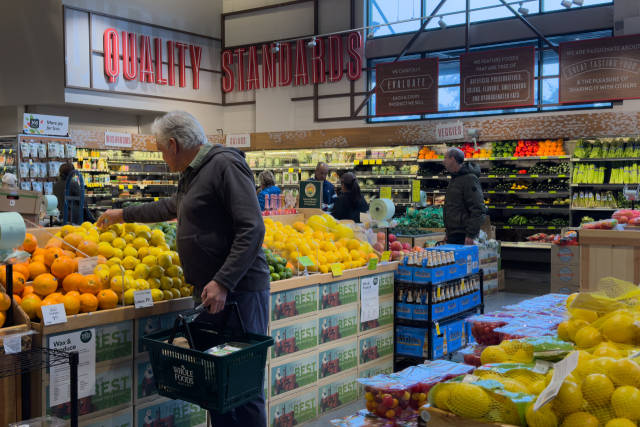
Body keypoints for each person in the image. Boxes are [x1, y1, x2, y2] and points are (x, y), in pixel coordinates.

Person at [96, 110, 269, 427]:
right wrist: (122, 214)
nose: (162, 157)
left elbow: (252, 228)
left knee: (242, 385)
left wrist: (223, 281)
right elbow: (168, 206)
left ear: (173, 144)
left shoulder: (224, 164)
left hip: (239, 292)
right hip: (211, 294)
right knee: (215, 384)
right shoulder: (194, 173)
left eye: (161, 150)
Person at [442, 147, 486, 245]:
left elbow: (478, 209)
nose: (443, 162)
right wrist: (449, 232)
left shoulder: (469, 179)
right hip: (455, 234)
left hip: (463, 235)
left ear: (452, 159)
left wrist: (471, 234)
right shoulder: (455, 178)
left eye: (445, 158)